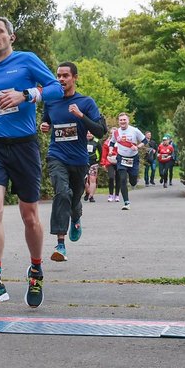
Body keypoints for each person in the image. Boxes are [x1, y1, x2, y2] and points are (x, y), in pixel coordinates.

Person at [0, 15, 63, 308]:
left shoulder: (27, 60)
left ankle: (35, 270)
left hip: (24, 147)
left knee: (29, 215)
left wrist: (26, 95)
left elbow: (56, 88)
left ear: (11, 37)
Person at [39, 62, 106, 262]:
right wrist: (45, 125)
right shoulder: (51, 102)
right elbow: (47, 122)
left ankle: (75, 219)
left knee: (74, 200)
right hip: (56, 156)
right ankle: (60, 244)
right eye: (58, 75)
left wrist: (80, 116)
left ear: (74, 78)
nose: (61, 79)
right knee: (62, 192)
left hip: (79, 160)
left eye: (65, 76)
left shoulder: (86, 102)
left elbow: (101, 131)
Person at [112, 113, 145, 210]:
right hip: (121, 158)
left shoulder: (134, 130)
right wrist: (110, 150)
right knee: (122, 179)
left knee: (133, 181)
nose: (122, 121)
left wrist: (138, 147)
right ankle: (126, 202)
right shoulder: (116, 132)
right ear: (118, 121)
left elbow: (145, 141)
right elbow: (112, 142)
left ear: (128, 121)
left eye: (124, 120)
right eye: (120, 120)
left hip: (133, 159)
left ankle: (133, 182)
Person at [101, 128, 119, 202]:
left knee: (119, 178)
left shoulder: (120, 142)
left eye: (114, 133)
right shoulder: (106, 143)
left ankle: (117, 195)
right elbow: (104, 154)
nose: (112, 135)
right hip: (109, 162)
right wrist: (103, 163)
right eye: (111, 133)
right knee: (111, 177)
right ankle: (111, 195)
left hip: (118, 162)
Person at [84, 130, 101, 203]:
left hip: (93, 163)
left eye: (91, 133)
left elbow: (101, 152)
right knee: (83, 180)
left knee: (92, 179)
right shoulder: (82, 141)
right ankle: (87, 192)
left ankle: (91, 196)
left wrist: (99, 161)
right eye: (87, 133)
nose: (89, 134)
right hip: (83, 163)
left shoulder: (96, 141)